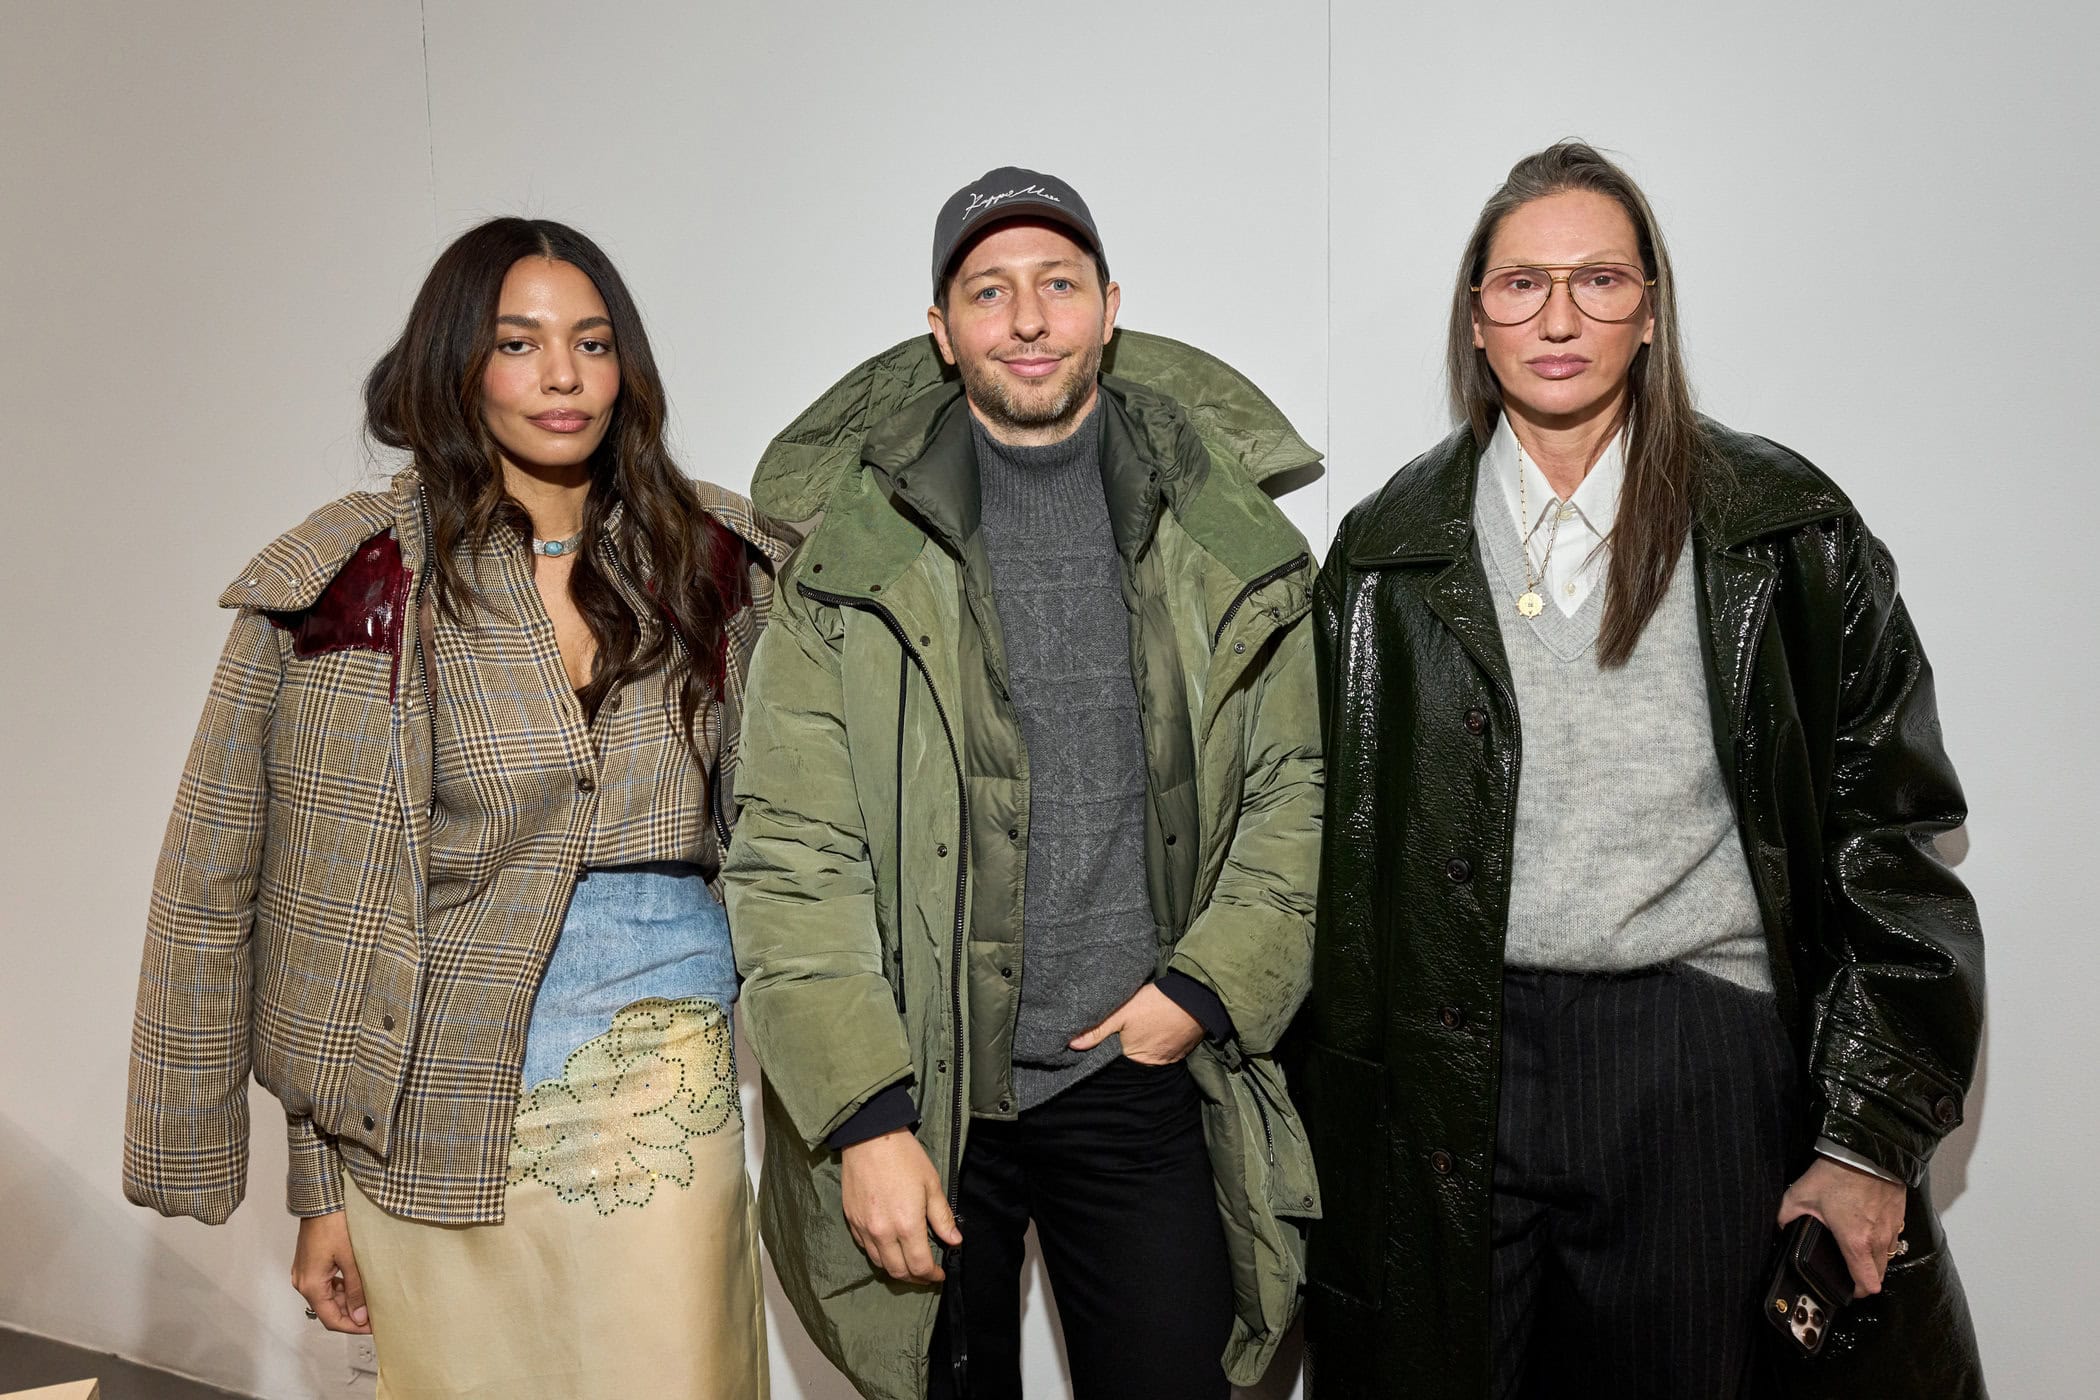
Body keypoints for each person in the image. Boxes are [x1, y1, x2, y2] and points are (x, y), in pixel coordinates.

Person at [1297, 139, 1987, 1399]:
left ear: (1652, 309)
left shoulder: (1782, 531)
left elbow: (1889, 837)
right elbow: (1328, 855)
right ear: (1476, 316)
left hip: (1695, 1061)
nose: (1559, 316)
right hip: (1458, 1061)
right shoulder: (1385, 554)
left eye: (1600, 280)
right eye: (1521, 284)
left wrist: (1868, 1137)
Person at [123, 217, 787, 1398]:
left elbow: (795, 840)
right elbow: (254, 885)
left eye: (591, 341)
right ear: (456, 365)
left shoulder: (719, 561)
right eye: (519, 343)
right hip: (420, 1109)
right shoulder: (349, 586)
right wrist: (316, 1188)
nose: (564, 374)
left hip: (655, 1095)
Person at [722, 168, 1324, 1400]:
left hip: (1143, 1074)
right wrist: (863, 1112)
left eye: (1058, 284)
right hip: (930, 1090)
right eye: (989, 291)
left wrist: (1202, 989)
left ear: (1110, 307)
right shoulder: (848, 560)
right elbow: (793, 850)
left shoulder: (1223, 540)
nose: (1030, 317)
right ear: (943, 331)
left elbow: (1294, 791)